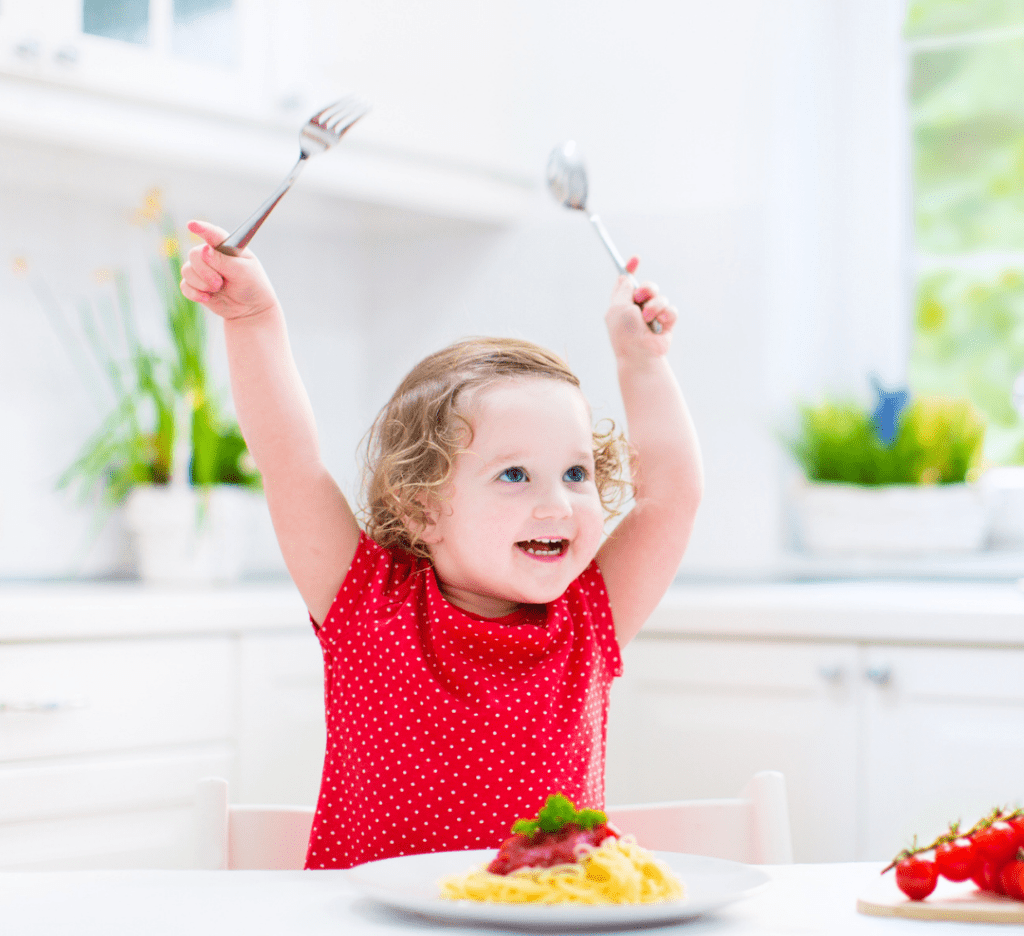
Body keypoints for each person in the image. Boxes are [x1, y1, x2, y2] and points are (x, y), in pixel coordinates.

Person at [180, 220, 703, 869]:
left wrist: (642, 362)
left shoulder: (589, 619)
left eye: (576, 474)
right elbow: (290, 461)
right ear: (423, 506)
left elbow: (670, 498)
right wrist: (254, 317)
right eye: (515, 475)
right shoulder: (367, 604)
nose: (558, 504)